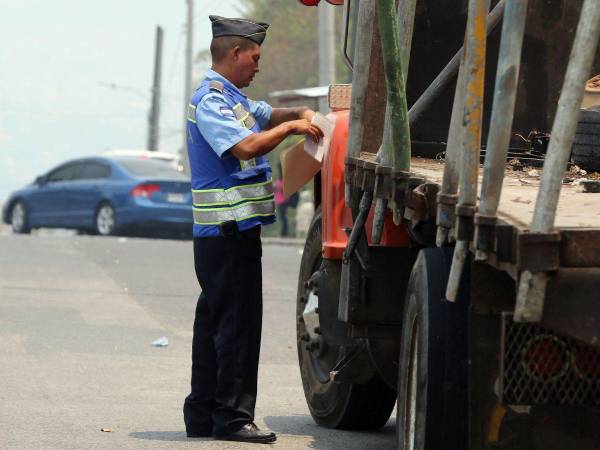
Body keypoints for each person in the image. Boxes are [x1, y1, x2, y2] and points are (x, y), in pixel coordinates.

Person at [183, 15, 323, 444]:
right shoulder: (211, 101)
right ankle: (232, 419)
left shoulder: (234, 98)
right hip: (226, 235)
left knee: (214, 325)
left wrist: (300, 111)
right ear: (236, 53)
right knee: (236, 329)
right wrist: (290, 128)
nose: (257, 67)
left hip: (231, 234)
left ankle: (203, 415)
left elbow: (266, 114)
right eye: (255, 58)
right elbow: (244, 145)